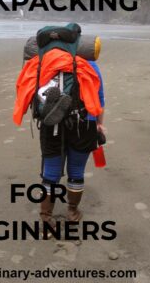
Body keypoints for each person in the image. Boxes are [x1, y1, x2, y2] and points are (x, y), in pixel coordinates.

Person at [39, 60, 105, 227]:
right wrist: (99, 124)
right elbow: (99, 99)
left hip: (51, 123)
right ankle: (72, 212)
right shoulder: (89, 63)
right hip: (83, 123)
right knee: (76, 170)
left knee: (50, 172)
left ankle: (46, 217)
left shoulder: (45, 62)